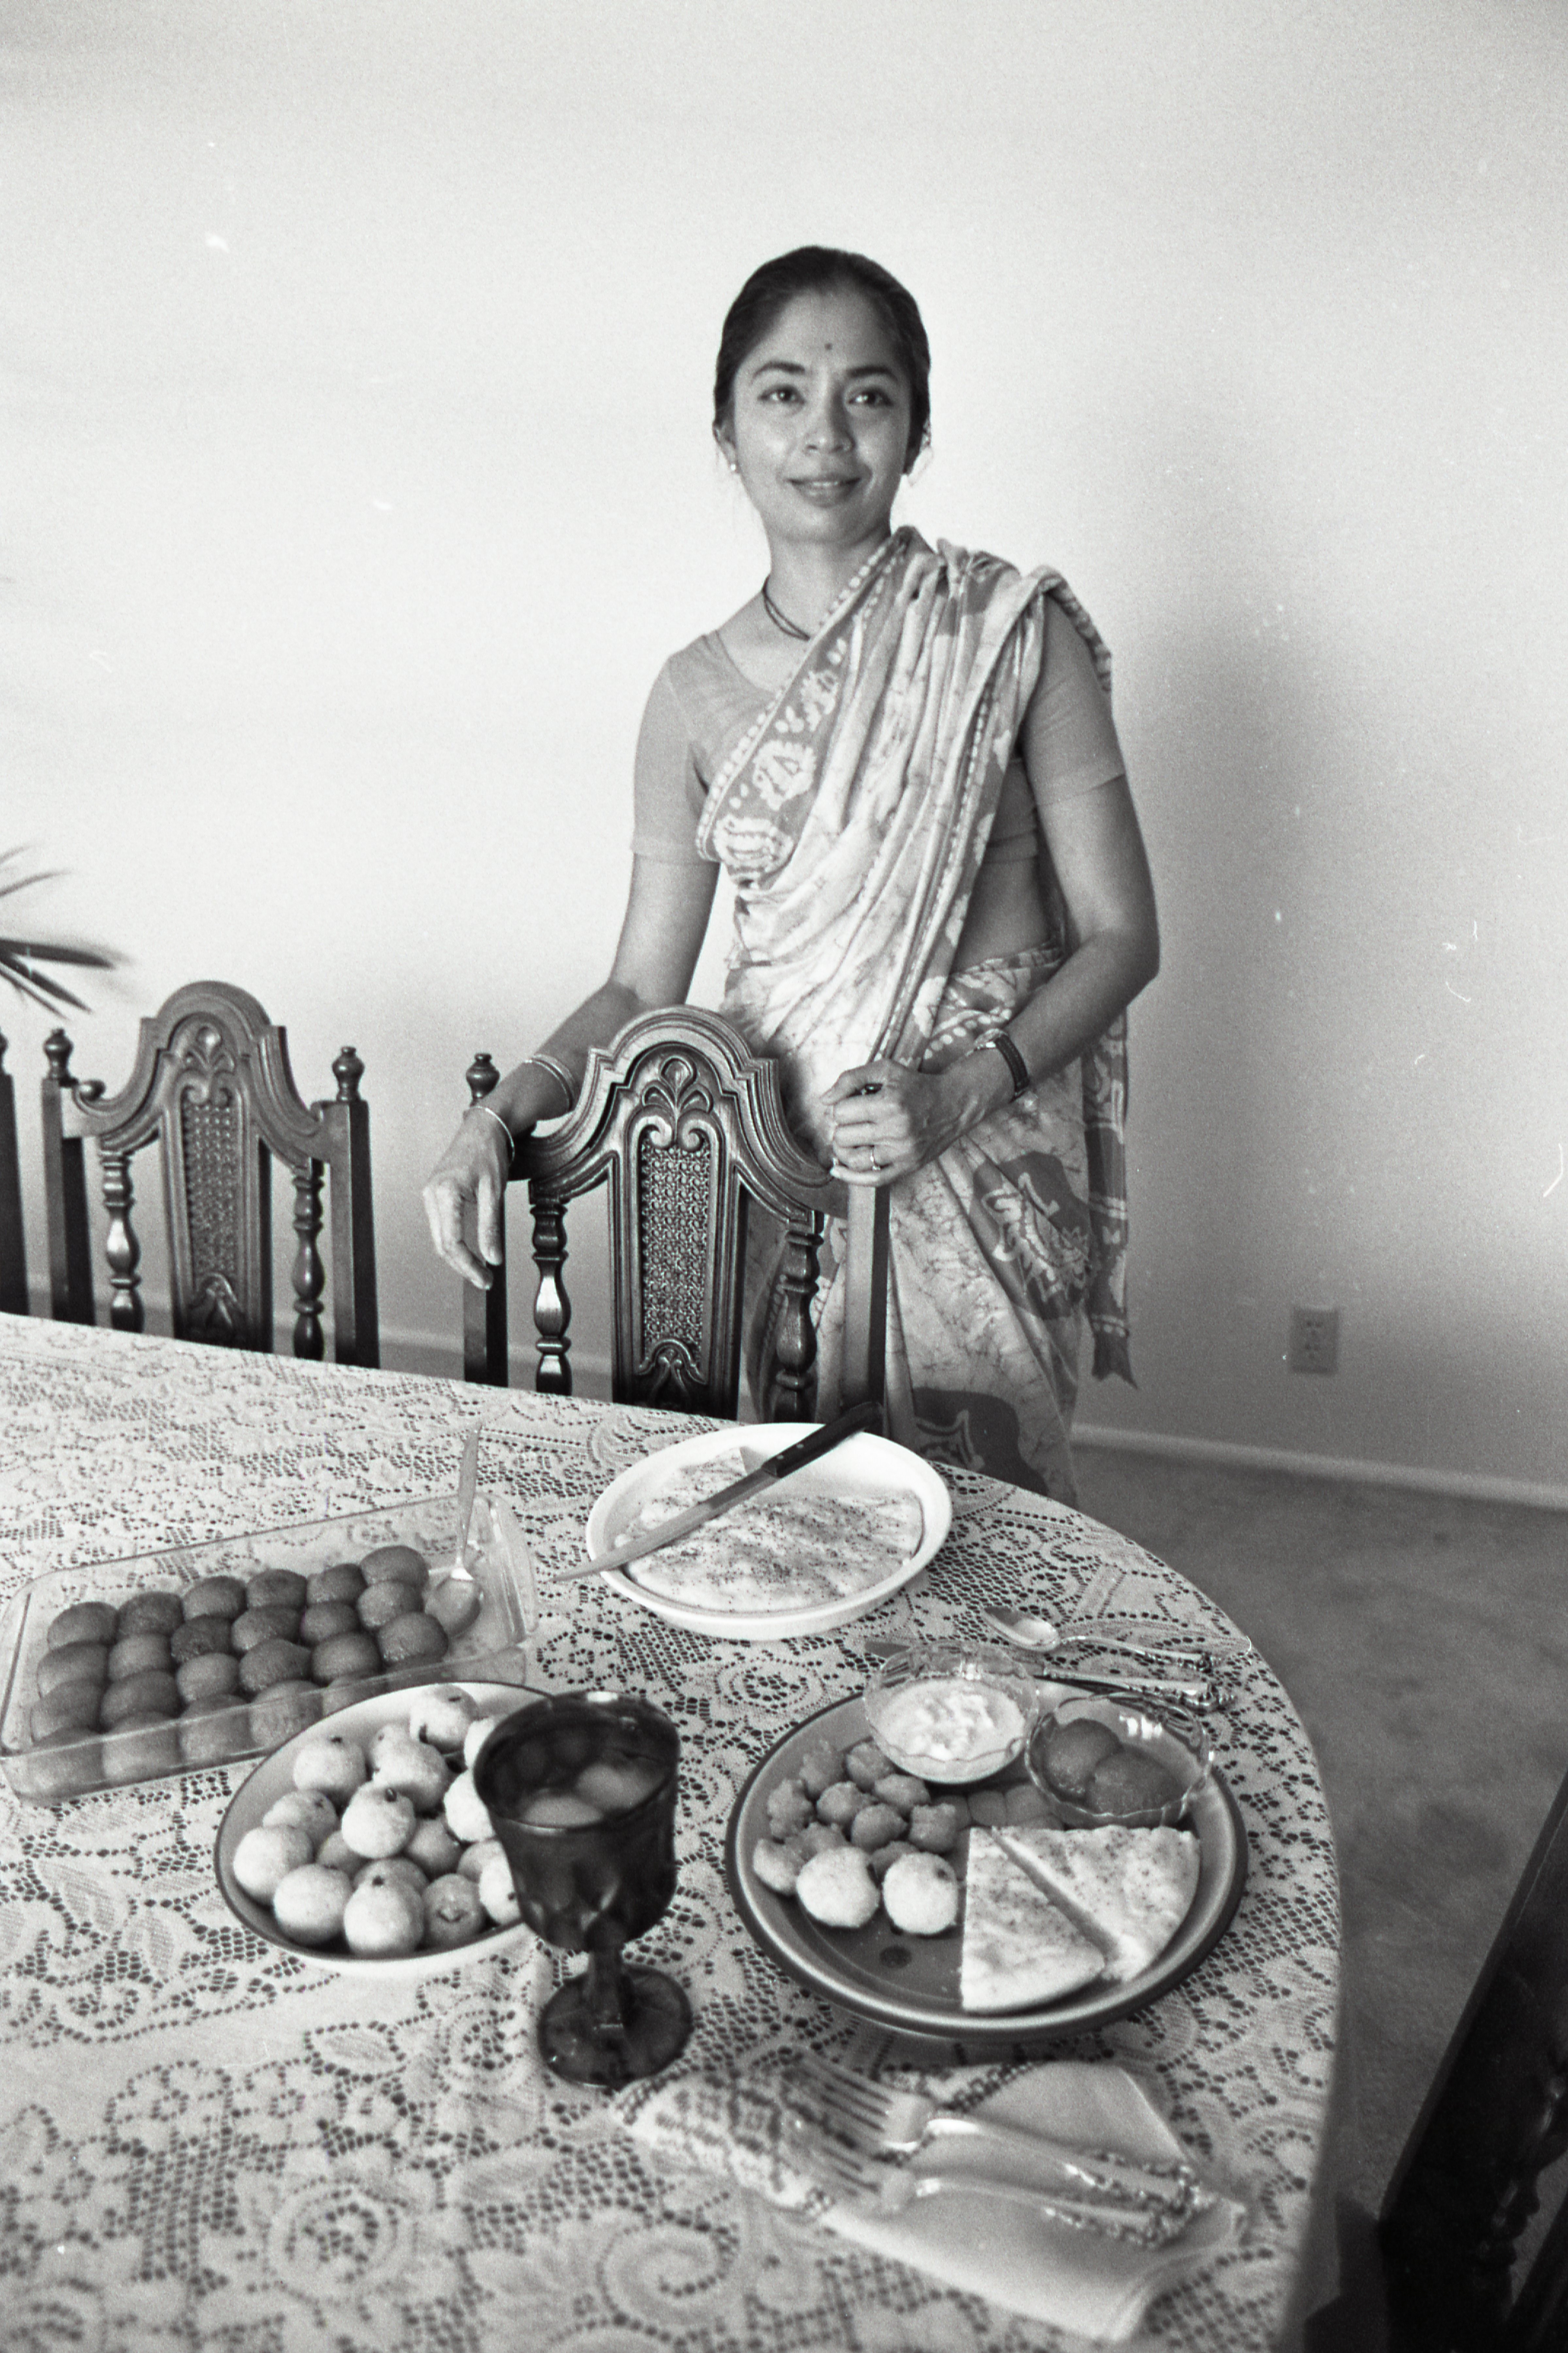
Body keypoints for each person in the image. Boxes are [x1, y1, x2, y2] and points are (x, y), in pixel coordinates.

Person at [424, 246, 1158, 1503]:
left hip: (975, 1152)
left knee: (991, 1523)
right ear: (725, 428)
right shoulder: (691, 696)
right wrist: (497, 1121)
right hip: (784, 1154)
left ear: (916, 427)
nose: (825, 434)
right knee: (806, 1516)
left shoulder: (1005, 635)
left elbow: (1122, 936)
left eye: (867, 395)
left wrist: (964, 1090)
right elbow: (639, 986)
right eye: (782, 394)